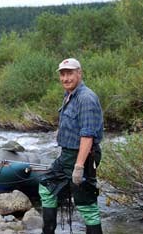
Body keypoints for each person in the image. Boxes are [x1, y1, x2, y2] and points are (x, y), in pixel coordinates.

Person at [38, 58, 104, 234]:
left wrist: (79, 166)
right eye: (63, 74)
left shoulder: (86, 98)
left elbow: (88, 135)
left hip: (82, 156)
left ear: (79, 73)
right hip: (67, 155)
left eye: (70, 73)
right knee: (46, 187)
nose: (66, 78)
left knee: (87, 204)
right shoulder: (69, 94)